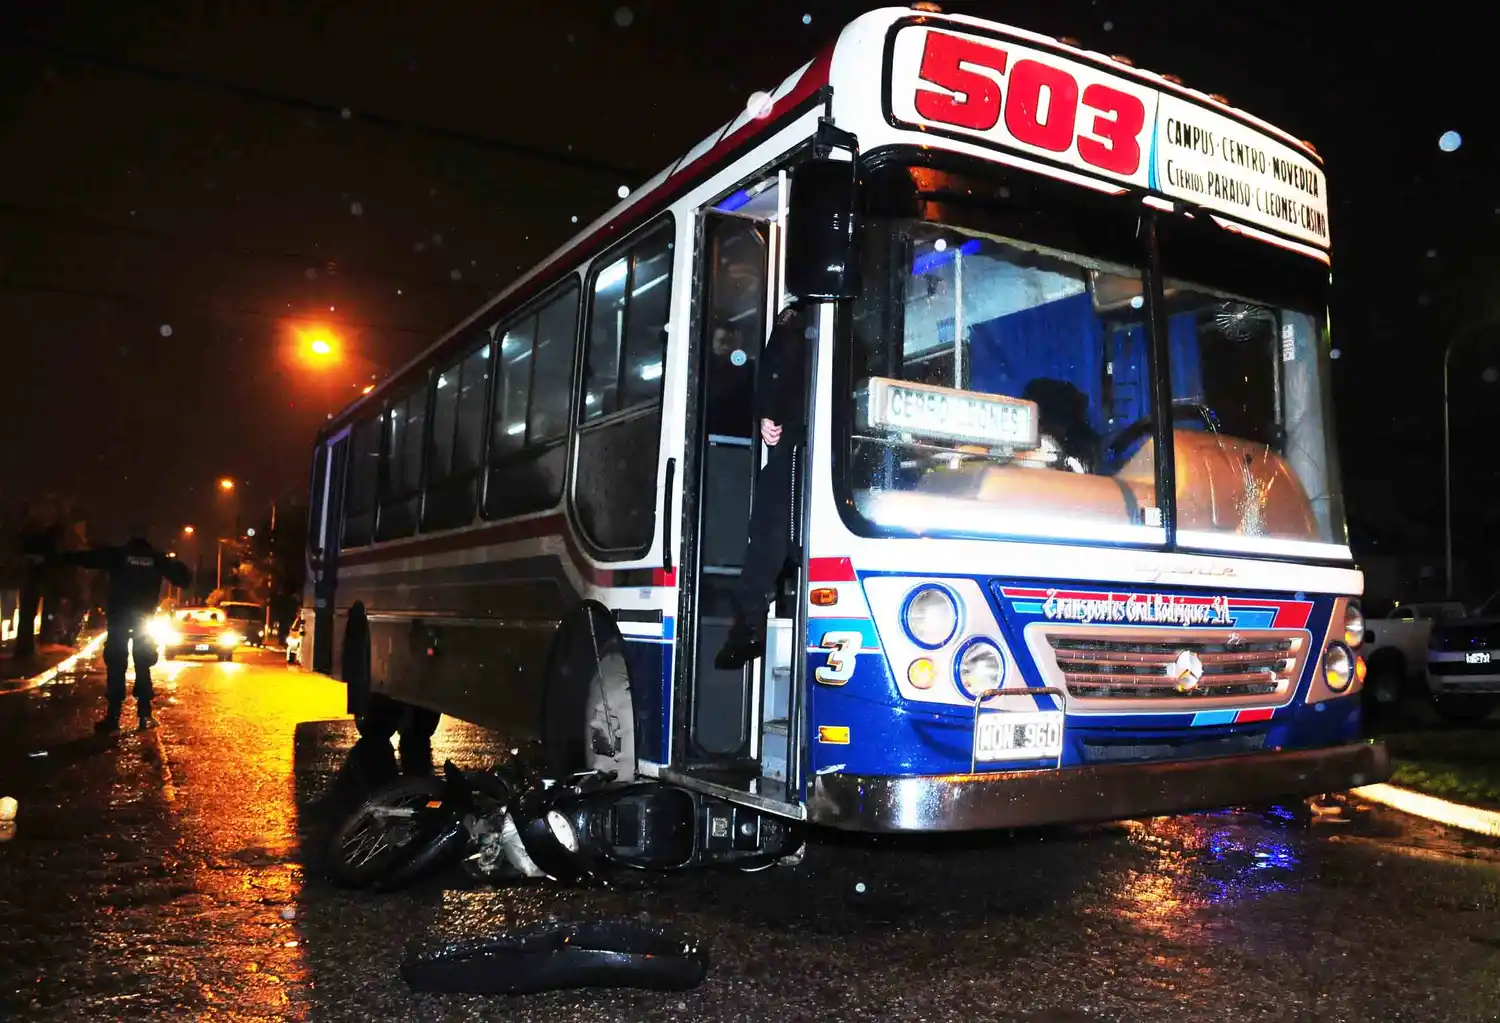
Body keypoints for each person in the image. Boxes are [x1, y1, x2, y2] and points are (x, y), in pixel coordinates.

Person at [715, 298, 810, 670]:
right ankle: (756, 619)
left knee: (768, 528)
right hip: (822, 442)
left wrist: (768, 413)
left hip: (796, 442)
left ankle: (749, 623)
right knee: (781, 533)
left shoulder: (798, 315)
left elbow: (774, 365)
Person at [57, 524, 191, 733]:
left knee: (116, 664)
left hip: (119, 618)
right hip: (144, 620)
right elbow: (184, 579)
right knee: (143, 663)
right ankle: (145, 714)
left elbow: (89, 558)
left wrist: (61, 557)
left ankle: (113, 718)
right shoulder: (156, 558)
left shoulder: (118, 555)